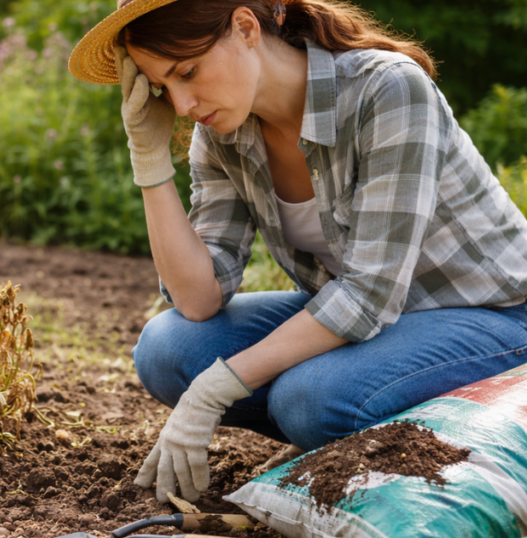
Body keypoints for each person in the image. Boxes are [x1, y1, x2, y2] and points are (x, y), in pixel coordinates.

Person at [68, 0, 527, 504]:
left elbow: (368, 294)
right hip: (373, 325)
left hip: (496, 317)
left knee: (310, 399)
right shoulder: (223, 134)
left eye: (188, 72)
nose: (180, 105)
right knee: (167, 349)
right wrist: (149, 159)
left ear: (245, 27)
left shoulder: (387, 88)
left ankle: (337, 421)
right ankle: (336, 428)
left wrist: (215, 389)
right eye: (162, 87)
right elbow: (198, 299)